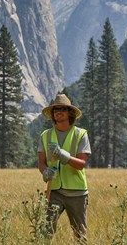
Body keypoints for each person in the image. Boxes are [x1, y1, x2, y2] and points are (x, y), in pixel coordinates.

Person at [38, 93, 91, 243]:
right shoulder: (45, 135)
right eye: (55, 110)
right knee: (45, 233)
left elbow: (81, 164)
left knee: (80, 236)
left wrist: (63, 155)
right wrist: (45, 172)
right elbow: (41, 162)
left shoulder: (81, 134)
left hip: (77, 193)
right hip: (54, 192)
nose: (58, 112)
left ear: (70, 113)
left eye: (63, 109)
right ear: (52, 114)